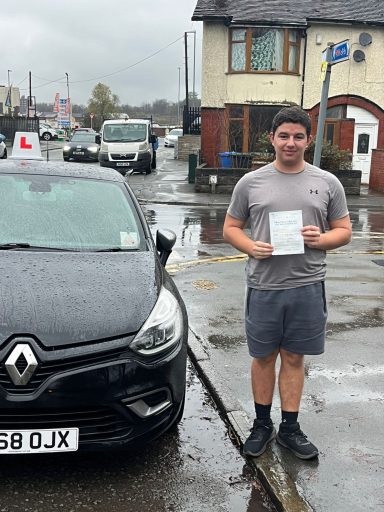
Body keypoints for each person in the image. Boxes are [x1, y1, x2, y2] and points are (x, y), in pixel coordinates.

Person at [223, 106, 352, 460]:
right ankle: (262, 425)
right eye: (284, 136)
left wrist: (319, 239)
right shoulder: (251, 183)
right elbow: (230, 228)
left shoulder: (327, 183)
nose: (290, 143)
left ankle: (289, 429)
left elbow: (344, 231)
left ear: (309, 140)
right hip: (264, 285)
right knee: (263, 357)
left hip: (307, 286)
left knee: (294, 357)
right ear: (272, 139)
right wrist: (251, 246)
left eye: (298, 136)